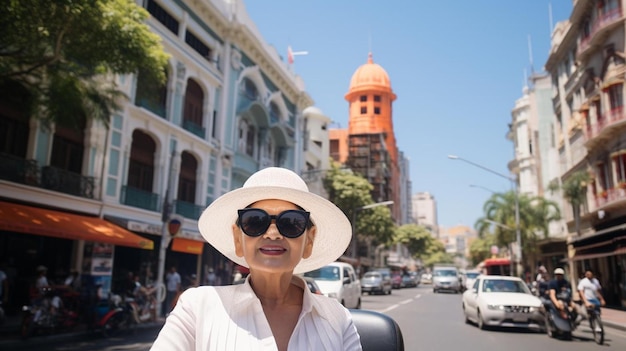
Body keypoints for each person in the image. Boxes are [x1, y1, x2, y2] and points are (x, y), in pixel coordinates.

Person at [151, 167, 362, 350]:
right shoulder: (197, 308)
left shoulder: (338, 318)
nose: (272, 234)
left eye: (290, 223)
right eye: (255, 221)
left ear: (309, 240)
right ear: (237, 238)